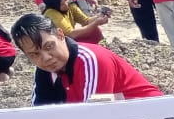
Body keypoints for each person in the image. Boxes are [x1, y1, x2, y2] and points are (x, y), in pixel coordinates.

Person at [13, 13, 162, 104]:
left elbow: (92, 117)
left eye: (49, 46)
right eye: (34, 54)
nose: (45, 58)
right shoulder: (45, 69)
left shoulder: (91, 60)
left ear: (60, 34)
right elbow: (39, 114)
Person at [39, 0, 109, 44]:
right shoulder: (51, 13)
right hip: (60, 42)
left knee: (95, 31)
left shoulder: (70, 5)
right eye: (62, 4)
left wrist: (100, 15)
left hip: (71, 39)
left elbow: (86, 21)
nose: (66, 5)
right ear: (54, 5)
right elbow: (71, 34)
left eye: (66, 0)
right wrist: (96, 23)